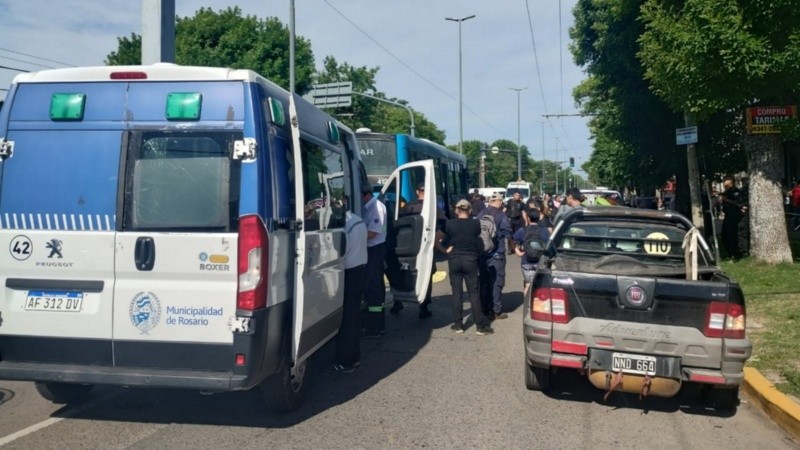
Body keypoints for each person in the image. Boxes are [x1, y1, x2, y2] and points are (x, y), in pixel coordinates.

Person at [435, 199, 493, 335]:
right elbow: (478, 238)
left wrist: (444, 250)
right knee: (473, 293)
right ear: (470, 210)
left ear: (456, 210)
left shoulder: (449, 224)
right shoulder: (475, 224)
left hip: (454, 259)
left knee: (457, 293)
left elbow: (435, 239)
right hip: (470, 259)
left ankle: (458, 325)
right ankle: (480, 326)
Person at [324, 204, 368, 373]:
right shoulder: (358, 221)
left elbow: (338, 252)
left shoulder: (344, 227)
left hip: (348, 274)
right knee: (354, 317)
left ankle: (346, 361)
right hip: (360, 270)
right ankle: (354, 357)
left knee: (347, 320)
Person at [389, 182, 442, 319]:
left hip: (406, 245)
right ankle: (423, 307)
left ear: (417, 192)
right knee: (426, 274)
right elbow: (443, 226)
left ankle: (398, 301)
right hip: (425, 246)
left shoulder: (408, 206)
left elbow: (398, 224)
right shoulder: (433, 208)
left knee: (402, 271)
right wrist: (437, 242)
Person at [477, 193, 512, 321]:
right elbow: (508, 233)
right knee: (497, 282)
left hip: (483, 253)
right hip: (497, 253)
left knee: (484, 281)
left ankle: (484, 309)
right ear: (499, 202)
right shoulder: (502, 215)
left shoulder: (481, 214)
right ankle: (496, 310)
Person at [361, 185, 388, 338]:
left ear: (366, 195)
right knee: (373, 288)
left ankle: (376, 327)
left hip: (374, 251)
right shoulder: (368, 207)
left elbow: (372, 234)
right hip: (371, 251)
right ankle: (374, 323)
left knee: (373, 289)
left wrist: (353, 237)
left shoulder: (376, 207)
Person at [513, 208, 550, 293]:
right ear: (539, 218)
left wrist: (517, 251)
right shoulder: (544, 230)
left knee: (528, 284)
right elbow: (549, 245)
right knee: (540, 286)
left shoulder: (523, 230)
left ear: (528, 218)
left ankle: (527, 305)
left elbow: (512, 241)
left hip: (526, 261)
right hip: (540, 261)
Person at [720, 177, 744, 259]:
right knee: (725, 235)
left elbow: (739, 203)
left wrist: (726, 200)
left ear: (731, 183)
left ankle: (736, 253)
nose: (725, 187)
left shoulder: (736, 192)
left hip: (735, 216)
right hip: (727, 216)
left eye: (726, 185)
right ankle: (729, 253)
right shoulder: (726, 193)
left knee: (733, 235)